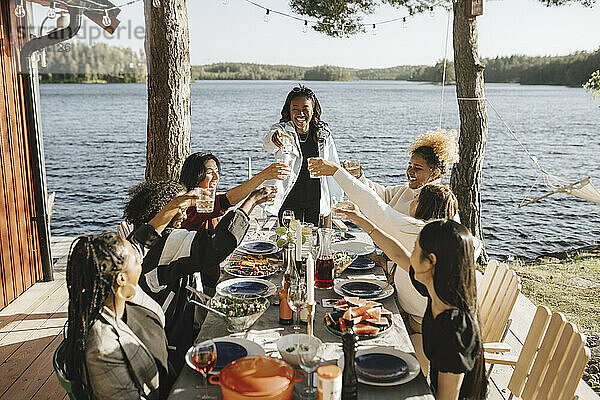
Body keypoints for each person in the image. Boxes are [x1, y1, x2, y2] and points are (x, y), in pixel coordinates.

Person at [308, 159, 480, 333]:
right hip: (431, 318)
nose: (412, 202)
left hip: (428, 326)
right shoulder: (444, 236)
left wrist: (337, 172)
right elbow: (399, 255)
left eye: (416, 199)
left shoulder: (416, 229)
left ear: (425, 207)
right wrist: (361, 221)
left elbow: (375, 206)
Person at [124, 180, 274, 372]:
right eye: (181, 208)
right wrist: (252, 201)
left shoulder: (143, 238)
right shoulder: (166, 242)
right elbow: (217, 244)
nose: (185, 214)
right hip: (169, 343)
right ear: (164, 210)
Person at [335, 211, 488, 400]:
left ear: (431, 261)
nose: (411, 254)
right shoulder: (437, 289)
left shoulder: (454, 328)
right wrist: (362, 221)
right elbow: (398, 254)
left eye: (415, 249)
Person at [64, 232, 173, 400]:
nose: (140, 265)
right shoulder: (102, 350)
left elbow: (145, 239)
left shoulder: (123, 298)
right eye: (136, 261)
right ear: (121, 278)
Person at [178, 152, 290, 291]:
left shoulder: (206, 203)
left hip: (212, 274)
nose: (216, 177)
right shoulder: (191, 206)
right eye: (209, 173)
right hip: (197, 282)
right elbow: (228, 200)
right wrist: (263, 177)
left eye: (217, 172)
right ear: (195, 176)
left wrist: (254, 201)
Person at [262, 85, 343, 225]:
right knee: (287, 242)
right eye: (295, 109)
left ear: (313, 110)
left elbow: (333, 163)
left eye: (305, 109)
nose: (300, 114)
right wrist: (274, 137)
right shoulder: (281, 130)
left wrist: (336, 199)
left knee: (315, 242)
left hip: (316, 199)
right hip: (289, 199)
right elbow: (268, 145)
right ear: (289, 110)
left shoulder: (323, 134)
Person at [345, 128, 459, 216]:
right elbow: (383, 194)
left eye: (418, 168)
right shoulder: (406, 189)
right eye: (410, 165)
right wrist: (358, 177)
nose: (410, 171)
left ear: (435, 173)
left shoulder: (436, 200)